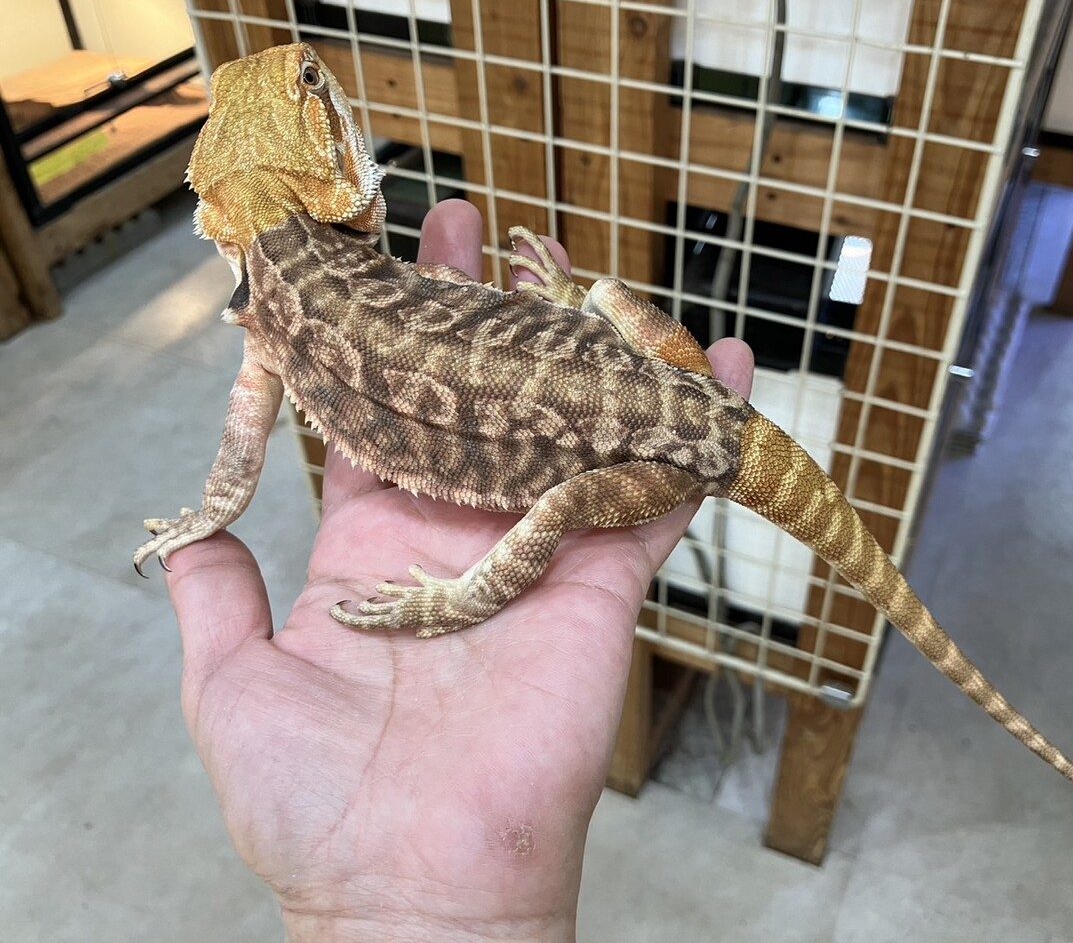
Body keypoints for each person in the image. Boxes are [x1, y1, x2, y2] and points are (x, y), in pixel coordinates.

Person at [162, 199, 755, 942]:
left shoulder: (307, 299)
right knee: (603, 299)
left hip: (672, 446)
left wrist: (456, 600)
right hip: (677, 376)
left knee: (560, 499)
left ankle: (467, 602)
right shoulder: (302, 311)